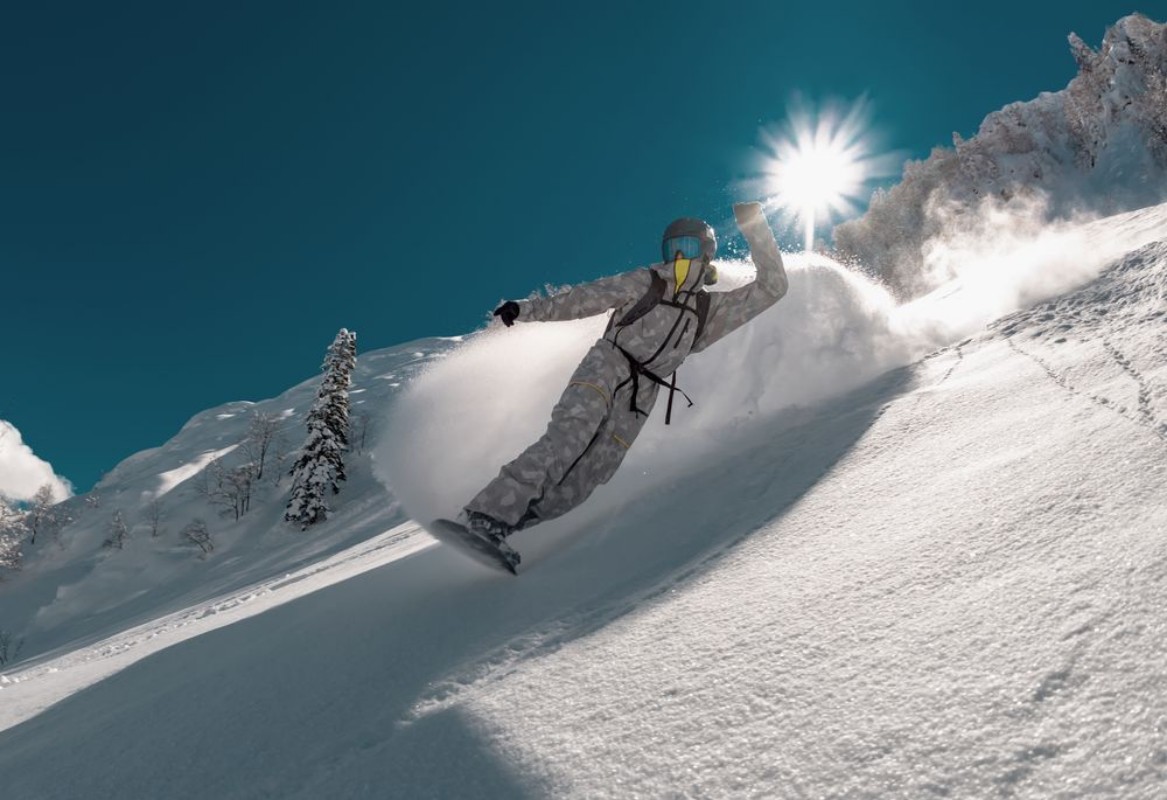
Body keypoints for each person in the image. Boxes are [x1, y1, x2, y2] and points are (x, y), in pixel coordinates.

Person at [459, 201, 788, 553]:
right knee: (568, 439)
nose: (678, 255)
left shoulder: (708, 311)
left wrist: (753, 224)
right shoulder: (646, 282)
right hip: (607, 365)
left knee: (591, 474)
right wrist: (525, 309)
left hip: (642, 393)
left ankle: (505, 525)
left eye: (687, 248)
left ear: (706, 253)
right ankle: (485, 512)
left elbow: (773, 287)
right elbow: (584, 299)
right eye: (671, 248)